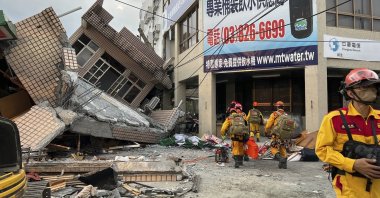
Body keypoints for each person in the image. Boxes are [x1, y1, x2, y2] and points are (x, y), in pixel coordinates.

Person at [316, 68, 380, 197]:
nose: (371, 90)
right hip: (349, 188)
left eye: (373, 86)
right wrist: (353, 164)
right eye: (364, 87)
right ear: (350, 93)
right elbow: (322, 149)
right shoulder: (334, 118)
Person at [265, 100, 288, 169]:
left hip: (276, 135)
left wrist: (266, 131)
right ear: (283, 107)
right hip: (284, 135)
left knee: (273, 148)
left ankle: (280, 159)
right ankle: (283, 165)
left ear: (277, 107)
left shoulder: (274, 114)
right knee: (282, 148)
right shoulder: (286, 115)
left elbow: (268, 125)